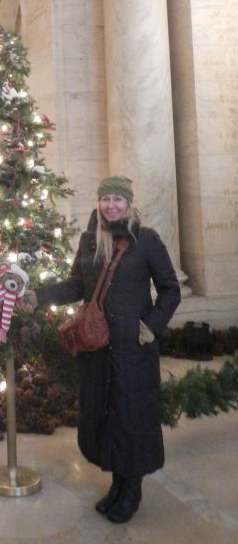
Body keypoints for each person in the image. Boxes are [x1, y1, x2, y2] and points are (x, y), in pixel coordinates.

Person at [35, 176, 181, 524]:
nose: (111, 205)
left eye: (117, 199)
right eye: (105, 199)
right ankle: (118, 483)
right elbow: (75, 285)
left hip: (134, 346)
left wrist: (151, 325)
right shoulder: (90, 240)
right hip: (97, 346)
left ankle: (132, 489)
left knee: (132, 416)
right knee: (106, 413)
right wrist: (37, 296)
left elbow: (170, 289)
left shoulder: (146, 240)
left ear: (129, 204)